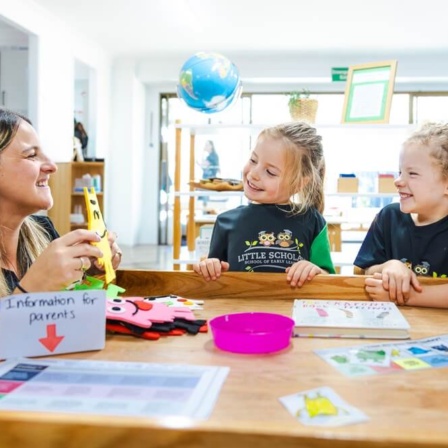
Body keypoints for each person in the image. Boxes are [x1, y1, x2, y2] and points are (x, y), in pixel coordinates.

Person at [193, 121, 335, 287]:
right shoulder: (225, 221)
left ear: (299, 184)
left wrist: (314, 270)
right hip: (240, 310)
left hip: (291, 312)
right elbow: (213, 278)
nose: (253, 174)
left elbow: (328, 280)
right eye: (253, 160)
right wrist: (209, 267)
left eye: (270, 172)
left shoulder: (313, 222)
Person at [0, 108, 122, 297]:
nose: (52, 166)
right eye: (32, 155)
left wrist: (89, 273)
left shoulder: (44, 231)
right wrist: (31, 289)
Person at [354, 122, 448, 308]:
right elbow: (361, 271)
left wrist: (408, 296)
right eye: (400, 172)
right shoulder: (389, 217)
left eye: (412, 174)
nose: (398, 181)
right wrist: (388, 266)